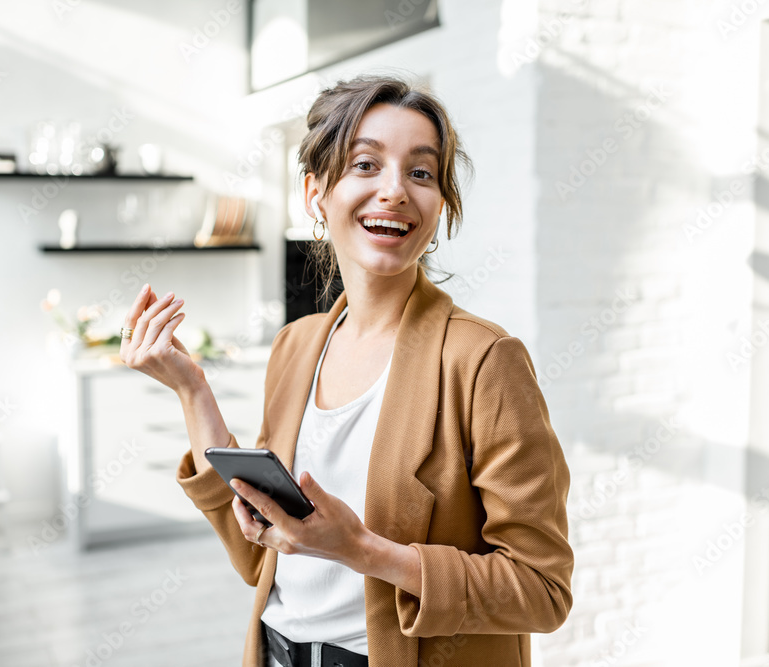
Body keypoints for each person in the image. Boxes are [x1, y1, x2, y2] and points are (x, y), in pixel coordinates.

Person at [119, 74, 574, 667]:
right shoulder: (296, 346)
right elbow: (260, 558)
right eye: (366, 165)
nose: (395, 191)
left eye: (421, 172)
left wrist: (362, 549)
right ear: (315, 194)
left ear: (440, 204)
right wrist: (191, 389)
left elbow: (542, 591)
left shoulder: (483, 361)